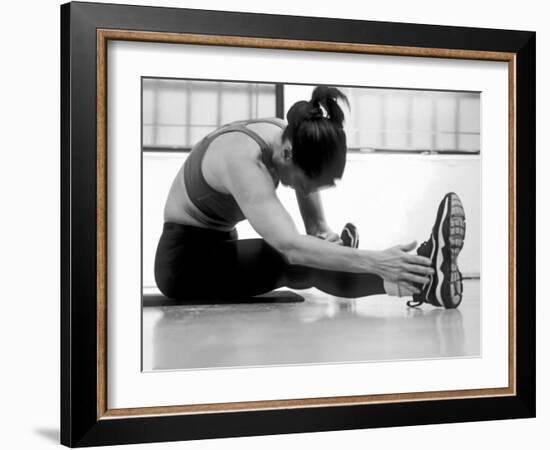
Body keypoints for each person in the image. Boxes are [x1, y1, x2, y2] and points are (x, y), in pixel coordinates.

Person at [154, 85, 466, 308]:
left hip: (220, 245)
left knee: (314, 250)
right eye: (307, 183)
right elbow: (291, 248)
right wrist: (374, 260)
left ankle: (421, 273)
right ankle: (423, 281)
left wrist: (328, 241)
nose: (306, 191)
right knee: (292, 260)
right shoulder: (241, 157)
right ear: (288, 155)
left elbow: (315, 227)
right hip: (184, 264)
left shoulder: (291, 137)